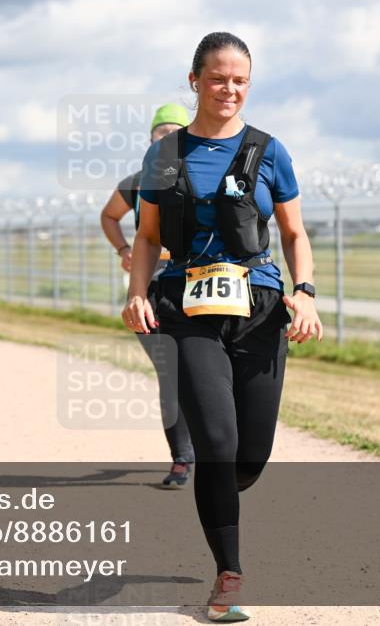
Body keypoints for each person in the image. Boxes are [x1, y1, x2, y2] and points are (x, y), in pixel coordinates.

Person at [122, 31, 322, 622]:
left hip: (260, 309)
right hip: (187, 310)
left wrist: (304, 293)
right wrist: (137, 293)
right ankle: (228, 576)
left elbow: (293, 234)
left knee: (248, 457)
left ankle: (219, 496)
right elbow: (148, 237)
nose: (228, 89)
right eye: (217, 78)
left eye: (239, 80)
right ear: (194, 82)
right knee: (216, 443)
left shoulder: (269, 150)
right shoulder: (165, 156)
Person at [100, 103, 196, 489]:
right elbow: (109, 216)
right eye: (161, 131)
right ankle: (182, 459)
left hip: (195, 285)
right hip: (150, 286)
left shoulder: (199, 179)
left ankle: (217, 444)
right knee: (170, 372)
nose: (167, 137)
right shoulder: (138, 182)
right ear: (151, 139)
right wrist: (125, 250)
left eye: (176, 131)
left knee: (204, 370)